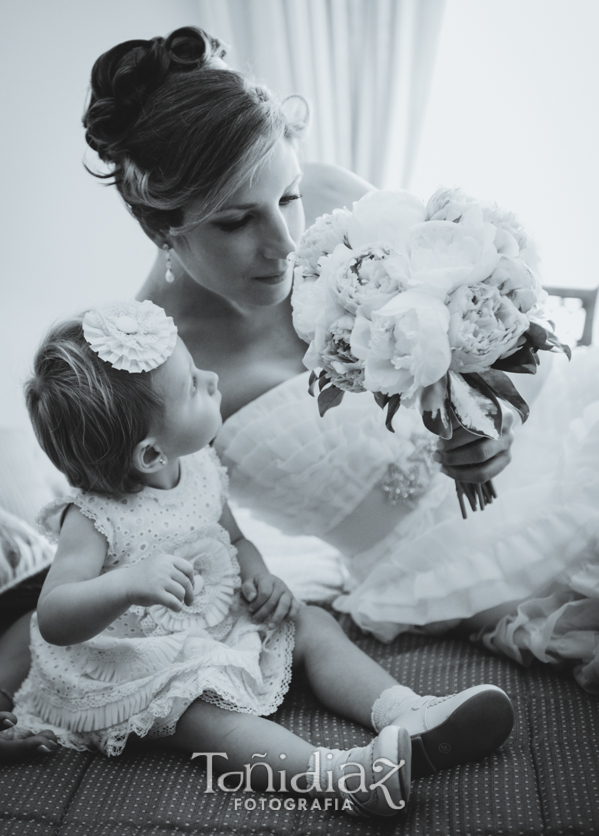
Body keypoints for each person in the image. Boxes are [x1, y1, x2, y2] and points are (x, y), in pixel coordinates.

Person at [0, 23, 585, 759]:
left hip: (551, 454)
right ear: (164, 230)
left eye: (289, 195)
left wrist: (488, 417)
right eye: (237, 220)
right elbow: (118, 536)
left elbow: (472, 332)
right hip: (427, 573)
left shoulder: (345, 210)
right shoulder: (149, 369)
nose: (282, 242)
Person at [3, 299, 513, 819]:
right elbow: (55, 616)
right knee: (198, 715)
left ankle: (407, 711)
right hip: (139, 662)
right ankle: (341, 776)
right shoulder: (90, 519)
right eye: (192, 385)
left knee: (311, 622)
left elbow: (235, 540)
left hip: (215, 626)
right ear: (151, 454)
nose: (210, 377)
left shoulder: (198, 464)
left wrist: (260, 576)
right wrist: (128, 583)